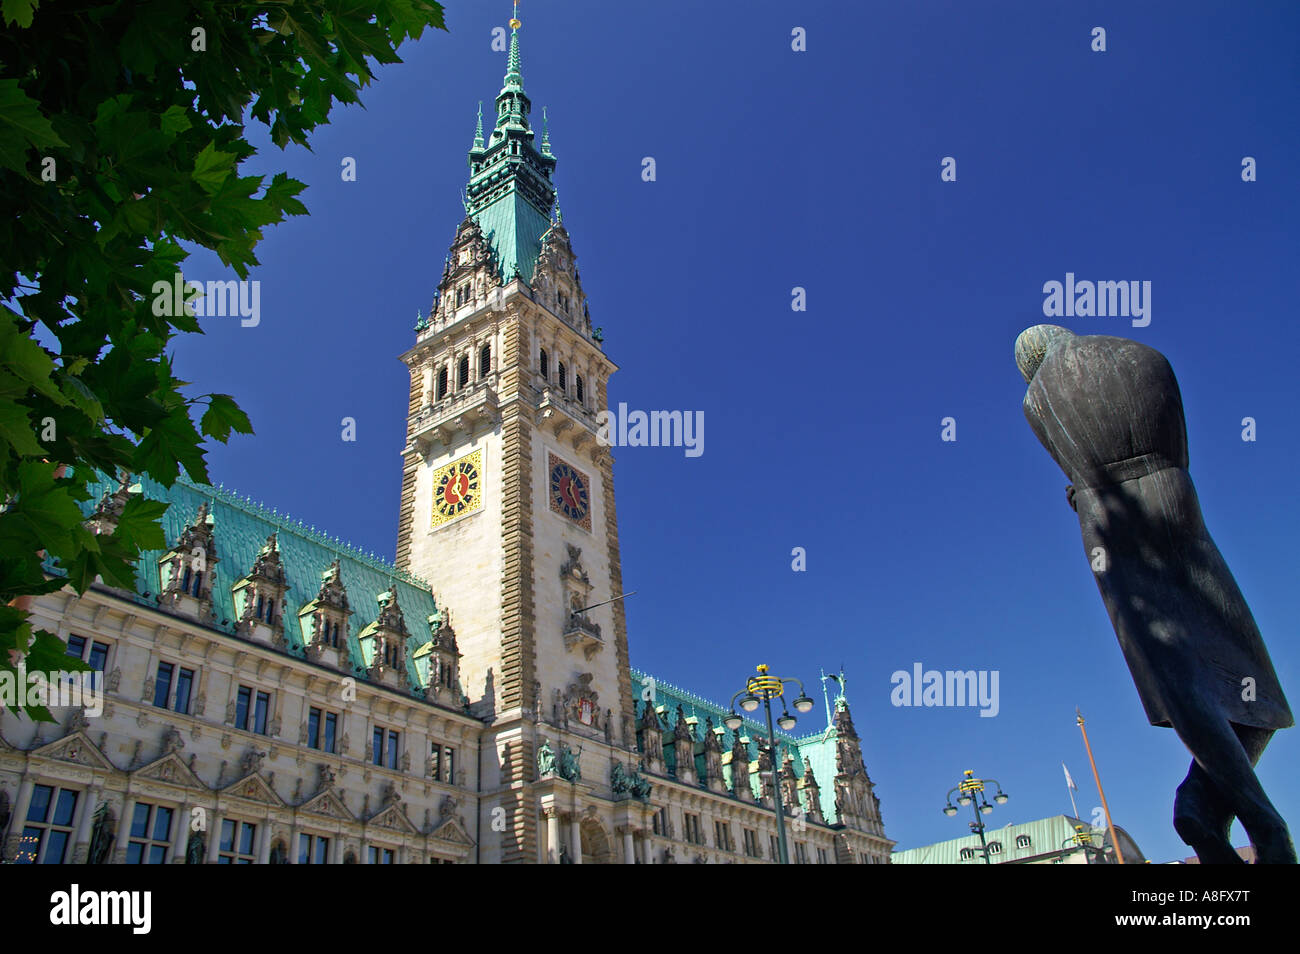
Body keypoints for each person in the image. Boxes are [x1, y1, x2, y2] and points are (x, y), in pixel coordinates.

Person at [1017, 324, 1295, 864]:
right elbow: (1176, 433)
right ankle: (1215, 807)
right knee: (1250, 674)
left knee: (1174, 670)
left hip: (1106, 514)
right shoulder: (1144, 355)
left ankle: (1242, 817)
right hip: (1174, 490)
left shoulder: (1038, 396)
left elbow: (1072, 466)